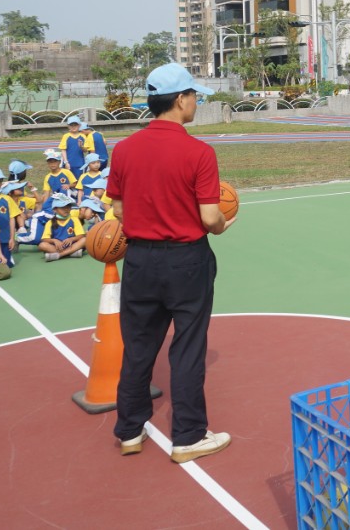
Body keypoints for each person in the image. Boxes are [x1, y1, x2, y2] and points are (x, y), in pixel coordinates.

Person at [108, 63, 235, 463]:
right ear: (181, 100)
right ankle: (188, 436)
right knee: (188, 349)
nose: (196, 102)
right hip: (186, 259)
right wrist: (223, 225)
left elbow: (118, 209)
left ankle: (130, 431)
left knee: (138, 347)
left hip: (139, 260)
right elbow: (210, 217)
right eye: (194, 95)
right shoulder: (199, 152)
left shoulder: (124, 149)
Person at [39, 196, 87, 261]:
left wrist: (72, 239)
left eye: (68, 207)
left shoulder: (74, 219)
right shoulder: (50, 222)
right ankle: (71, 253)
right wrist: (54, 241)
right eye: (62, 207)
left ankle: (59, 255)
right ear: (55, 209)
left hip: (72, 245)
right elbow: (44, 239)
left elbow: (81, 235)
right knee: (42, 245)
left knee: (84, 239)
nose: (66, 209)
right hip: (58, 247)